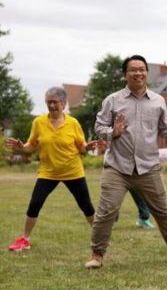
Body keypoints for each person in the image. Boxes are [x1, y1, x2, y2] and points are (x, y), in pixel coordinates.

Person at [84, 55, 167, 269]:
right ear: (125, 75)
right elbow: (99, 127)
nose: (138, 73)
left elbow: (165, 131)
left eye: (142, 69)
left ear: (147, 73)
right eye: (133, 70)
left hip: (148, 167)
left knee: (163, 211)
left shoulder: (157, 101)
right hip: (117, 167)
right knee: (107, 211)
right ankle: (97, 255)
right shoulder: (112, 100)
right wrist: (113, 132)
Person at [5, 87, 105, 251]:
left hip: (72, 171)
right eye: (49, 102)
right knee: (34, 204)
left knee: (86, 206)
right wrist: (22, 146)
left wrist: (88, 146)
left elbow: (81, 147)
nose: (51, 105)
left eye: (55, 102)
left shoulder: (73, 123)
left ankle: (100, 238)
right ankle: (25, 239)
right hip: (48, 172)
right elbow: (32, 145)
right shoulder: (38, 122)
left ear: (63, 103)